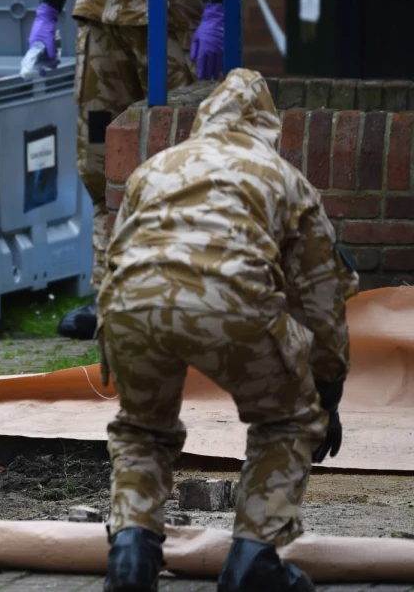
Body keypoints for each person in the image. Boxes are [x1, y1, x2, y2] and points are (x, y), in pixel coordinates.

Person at [96, 69, 358, 592]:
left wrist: (108, 335)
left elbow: (114, 255)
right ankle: (254, 558)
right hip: (234, 302)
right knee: (287, 421)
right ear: (266, 126)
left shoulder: (154, 168)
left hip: (130, 307)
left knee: (142, 429)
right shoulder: (284, 179)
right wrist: (327, 395)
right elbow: (321, 302)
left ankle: (130, 554)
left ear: (206, 118)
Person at [29, 0, 228, 340]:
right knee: (101, 160)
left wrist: (218, 6)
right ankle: (110, 294)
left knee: (182, 162)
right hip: (102, 21)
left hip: (173, 20)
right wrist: (48, 9)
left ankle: (181, 295)